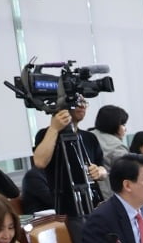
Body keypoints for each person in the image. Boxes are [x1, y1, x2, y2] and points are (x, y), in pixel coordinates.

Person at [31, 99, 106, 231]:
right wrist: (54, 128)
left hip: (94, 204)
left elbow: (104, 169)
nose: (82, 106)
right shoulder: (46, 134)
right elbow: (40, 161)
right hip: (67, 210)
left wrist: (99, 172)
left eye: (85, 102)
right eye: (77, 102)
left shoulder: (89, 137)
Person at [92, 104, 130, 199]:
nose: (126, 129)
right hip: (110, 196)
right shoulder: (117, 147)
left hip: (91, 196)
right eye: (123, 125)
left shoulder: (89, 136)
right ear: (114, 125)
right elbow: (129, 174)